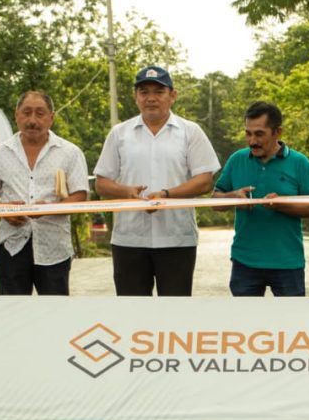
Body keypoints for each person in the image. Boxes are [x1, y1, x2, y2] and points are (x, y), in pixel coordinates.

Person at [94, 65, 220, 296]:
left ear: (173, 95)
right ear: (135, 97)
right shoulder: (119, 133)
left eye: (158, 92)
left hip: (177, 239)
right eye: (144, 92)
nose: (151, 98)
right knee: (131, 312)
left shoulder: (190, 132)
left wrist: (166, 195)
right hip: (129, 239)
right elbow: (101, 183)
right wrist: (125, 191)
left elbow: (204, 181)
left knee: (174, 314)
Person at [0, 91, 89, 295]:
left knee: (54, 312)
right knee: (13, 313)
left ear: (51, 117)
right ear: (16, 115)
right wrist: (4, 211)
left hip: (54, 246)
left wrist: (51, 209)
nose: (32, 120)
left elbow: (80, 195)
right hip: (12, 245)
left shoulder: (69, 152)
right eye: (26, 112)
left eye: (40, 113)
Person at [213, 101, 309, 296]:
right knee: (245, 325)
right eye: (248, 133)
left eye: (259, 134)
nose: (252, 141)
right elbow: (216, 199)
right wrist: (233, 196)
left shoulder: (300, 163)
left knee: (291, 325)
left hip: (287, 262)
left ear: (277, 132)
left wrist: (281, 205)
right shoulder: (236, 159)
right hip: (244, 260)